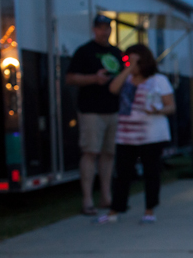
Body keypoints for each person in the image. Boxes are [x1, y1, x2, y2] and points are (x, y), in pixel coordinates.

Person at [93, 44, 176, 224]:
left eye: (134, 61)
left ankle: (149, 209)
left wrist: (158, 110)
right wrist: (128, 69)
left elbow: (171, 105)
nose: (130, 64)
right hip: (126, 134)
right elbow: (113, 89)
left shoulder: (158, 80)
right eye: (127, 60)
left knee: (151, 172)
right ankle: (115, 210)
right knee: (122, 174)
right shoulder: (126, 80)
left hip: (151, 134)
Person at [65, 14, 123, 216]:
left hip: (113, 110)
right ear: (93, 29)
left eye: (107, 28)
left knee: (109, 153)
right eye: (99, 28)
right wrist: (93, 79)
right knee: (90, 152)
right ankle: (87, 199)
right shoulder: (84, 51)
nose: (103, 31)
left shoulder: (117, 53)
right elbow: (70, 78)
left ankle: (106, 196)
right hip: (91, 110)